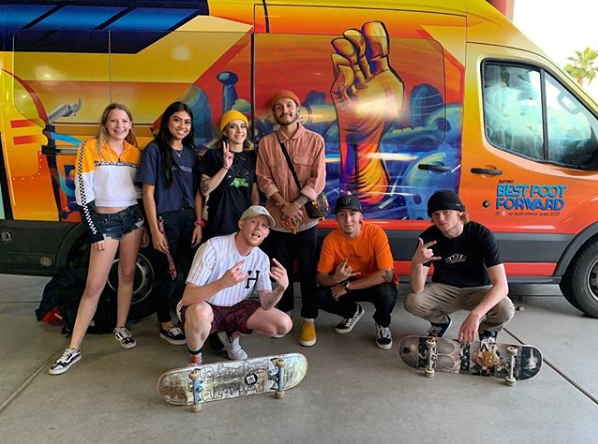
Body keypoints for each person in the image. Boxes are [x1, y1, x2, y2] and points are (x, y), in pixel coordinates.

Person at [49, 103, 147, 375]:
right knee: (94, 286)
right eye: (114, 120)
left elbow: (140, 192)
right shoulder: (89, 148)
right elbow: (83, 195)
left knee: (127, 275)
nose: (119, 126)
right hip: (104, 222)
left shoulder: (134, 152)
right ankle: (73, 348)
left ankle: (121, 327)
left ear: (131, 124)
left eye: (124, 121)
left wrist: (145, 226)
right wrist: (94, 232)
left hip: (133, 219)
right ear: (105, 123)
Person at [178, 205, 292, 365]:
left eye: (264, 225)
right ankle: (195, 359)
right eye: (253, 221)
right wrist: (222, 283)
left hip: (236, 308)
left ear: (266, 233)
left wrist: (281, 288)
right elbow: (188, 297)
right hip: (207, 306)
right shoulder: (213, 247)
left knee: (283, 324)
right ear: (241, 224)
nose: (258, 228)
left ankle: (232, 336)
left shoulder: (262, 258)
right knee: (200, 313)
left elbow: (266, 304)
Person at [256, 90, 326, 347]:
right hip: (277, 221)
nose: (284, 110)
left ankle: (309, 319)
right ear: (274, 114)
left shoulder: (315, 141)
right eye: (279, 107)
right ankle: (283, 314)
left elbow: (318, 179)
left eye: (289, 105)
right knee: (279, 271)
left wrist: (296, 205)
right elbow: (263, 178)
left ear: (298, 110)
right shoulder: (266, 143)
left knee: (307, 272)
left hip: (306, 221)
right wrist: (284, 205)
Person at [405, 190, 515, 343]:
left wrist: (476, 315)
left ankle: (488, 330)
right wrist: (417, 263)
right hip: (445, 289)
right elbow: (417, 289)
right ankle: (440, 322)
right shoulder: (428, 238)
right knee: (413, 301)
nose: (441, 218)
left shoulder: (481, 234)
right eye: (436, 214)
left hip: (478, 289)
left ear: (460, 212)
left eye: (446, 212)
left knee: (505, 308)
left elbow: (502, 286)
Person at [136, 102, 203, 346]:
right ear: (167, 122)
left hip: (189, 220)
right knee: (168, 273)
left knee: (192, 272)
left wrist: (198, 223)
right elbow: (148, 193)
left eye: (187, 122)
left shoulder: (191, 154)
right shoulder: (154, 150)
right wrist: (154, 230)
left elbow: (198, 192)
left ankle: (188, 316)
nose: (182, 126)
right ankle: (165, 323)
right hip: (165, 220)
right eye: (177, 120)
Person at [316, 194, 398, 349]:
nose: (348, 220)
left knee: (387, 294)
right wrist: (335, 279)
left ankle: (382, 323)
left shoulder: (375, 233)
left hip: (373, 283)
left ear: (361, 216)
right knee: (317, 296)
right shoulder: (331, 240)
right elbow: (321, 277)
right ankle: (352, 312)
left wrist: (347, 287)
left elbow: (386, 274)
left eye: (352, 214)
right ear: (336, 218)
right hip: (345, 283)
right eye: (342, 215)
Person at [199, 109, 259, 239]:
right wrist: (225, 167)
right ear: (225, 132)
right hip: (218, 222)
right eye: (233, 126)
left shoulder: (252, 158)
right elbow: (205, 190)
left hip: (244, 223)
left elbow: (254, 192)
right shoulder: (213, 155)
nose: (239, 130)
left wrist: (254, 218)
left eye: (242, 126)